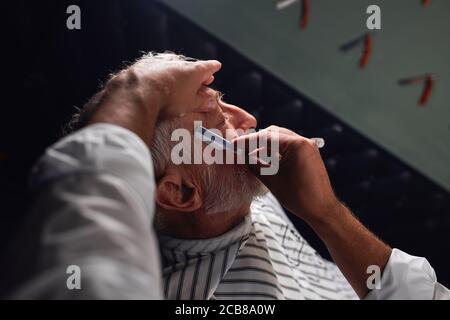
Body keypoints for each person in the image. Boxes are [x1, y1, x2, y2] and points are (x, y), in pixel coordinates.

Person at [2, 52, 449, 300]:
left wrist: (329, 216)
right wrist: (135, 92)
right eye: (217, 123)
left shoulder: (241, 187)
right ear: (179, 191)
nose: (250, 119)